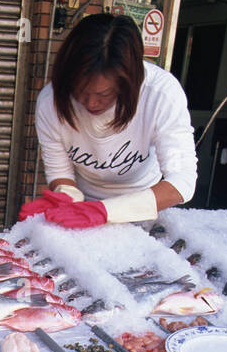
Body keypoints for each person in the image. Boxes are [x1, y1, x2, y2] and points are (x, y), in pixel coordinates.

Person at [25, 13, 197, 227]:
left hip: (143, 208)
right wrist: (66, 198)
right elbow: (60, 171)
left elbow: (182, 182)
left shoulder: (161, 94)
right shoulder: (50, 101)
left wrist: (106, 211)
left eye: (103, 94)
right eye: (78, 90)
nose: (90, 103)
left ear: (129, 82)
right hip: (83, 208)